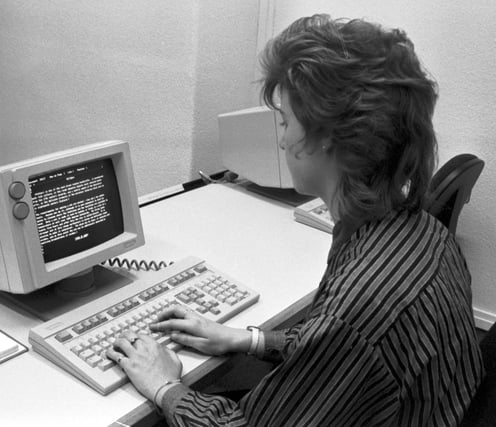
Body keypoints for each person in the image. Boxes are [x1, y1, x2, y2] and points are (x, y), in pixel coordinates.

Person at [105, 14, 484, 426]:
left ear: (328, 136)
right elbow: (336, 346)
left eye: (285, 121)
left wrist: (165, 385)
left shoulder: (360, 306)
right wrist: (248, 339)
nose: (282, 138)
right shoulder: (423, 233)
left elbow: (345, 340)